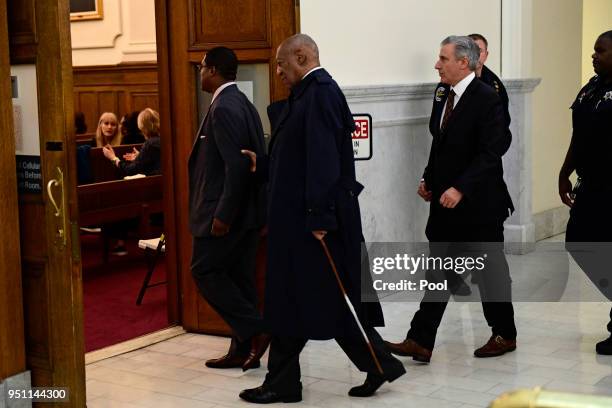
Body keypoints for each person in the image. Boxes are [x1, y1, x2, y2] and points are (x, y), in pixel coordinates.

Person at [238, 34, 405, 404]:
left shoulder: (322, 93)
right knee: (298, 302)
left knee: (325, 301)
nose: (278, 71)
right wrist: (262, 165)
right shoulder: (307, 94)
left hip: (312, 226)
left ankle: (373, 364)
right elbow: (296, 158)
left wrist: (320, 219)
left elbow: (324, 163)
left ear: (302, 56)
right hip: (298, 223)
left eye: (282, 63)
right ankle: (291, 380)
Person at [384, 36, 516, 363]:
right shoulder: (442, 92)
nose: (436, 64)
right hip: (444, 204)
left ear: (464, 62)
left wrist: (461, 187)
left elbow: (492, 151)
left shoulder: (487, 98)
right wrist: (429, 179)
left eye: (443, 59)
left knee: (490, 272)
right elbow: (440, 143)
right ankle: (421, 339)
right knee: (440, 270)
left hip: (480, 205)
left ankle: (505, 334)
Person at [188, 47, 270, 372]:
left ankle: (255, 327)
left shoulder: (223, 107)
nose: (199, 72)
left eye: (202, 67)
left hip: (226, 215)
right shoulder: (242, 103)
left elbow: (236, 166)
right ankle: (240, 349)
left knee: (204, 270)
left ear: (214, 71)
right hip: (247, 213)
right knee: (240, 278)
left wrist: (222, 215)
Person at [559, 30, 612, 355]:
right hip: (591, 184)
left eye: (600, 51)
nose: (594, 55)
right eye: (594, 50)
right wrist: (564, 172)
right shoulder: (591, 88)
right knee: (578, 240)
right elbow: (578, 136)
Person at [468, 33, 511, 136]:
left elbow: (503, 122)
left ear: (486, 55)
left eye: (479, 50)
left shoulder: (495, 85)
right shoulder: (453, 79)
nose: (475, 54)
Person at [103, 108, 161, 176]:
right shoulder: (163, 139)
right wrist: (140, 156)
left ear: (142, 126)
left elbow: (130, 170)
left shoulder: (150, 143)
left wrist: (113, 158)